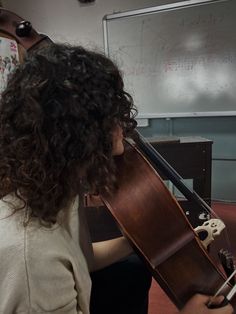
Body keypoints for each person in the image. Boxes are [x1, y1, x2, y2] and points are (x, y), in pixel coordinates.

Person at [0, 43, 233, 314]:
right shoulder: (33, 262)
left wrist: (153, 241)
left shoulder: (55, 192)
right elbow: (53, 261)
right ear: (77, 137)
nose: (123, 139)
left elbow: (81, 258)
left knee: (132, 270)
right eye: (113, 120)